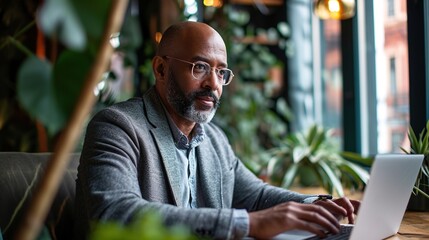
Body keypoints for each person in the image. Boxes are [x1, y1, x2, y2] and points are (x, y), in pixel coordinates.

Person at [74, 21, 359, 240]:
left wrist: (318, 205)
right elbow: (115, 214)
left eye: (221, 72)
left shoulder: (213, 139)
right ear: (161, 69)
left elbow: (255, 196)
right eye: (199, 67)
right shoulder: (117, 126)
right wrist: (248, 223)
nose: (214, 84)